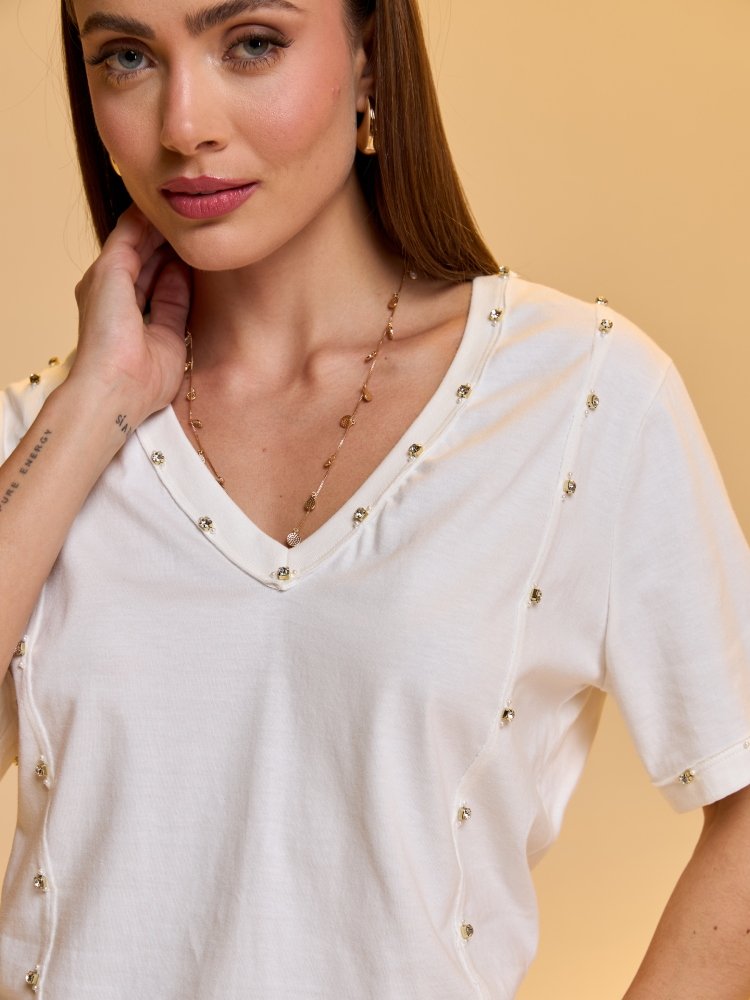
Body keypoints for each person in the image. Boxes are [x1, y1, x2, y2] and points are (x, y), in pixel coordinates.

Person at [0, 0, 748, 997]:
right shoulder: (43, 444)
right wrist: (96, 400)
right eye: (127, 57)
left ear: (367, 61)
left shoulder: (576, 399)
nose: (184, 125)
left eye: (251, 44)